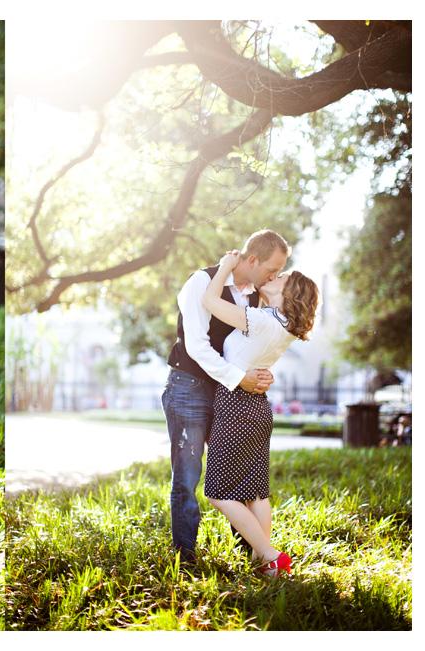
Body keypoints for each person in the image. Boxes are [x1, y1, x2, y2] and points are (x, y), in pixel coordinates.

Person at [161, 229, 289, 565]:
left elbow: (253, 345)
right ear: (251, 259)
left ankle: (256, 554)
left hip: (229, 395)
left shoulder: (257, 297)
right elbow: (197, 346)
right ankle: (185, 558)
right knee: (187, 477)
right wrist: (240, 378)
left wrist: (261, 374)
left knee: (237, 474)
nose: (274, 277)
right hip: (189, 385)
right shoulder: (201, 283)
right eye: (271, 269)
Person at [202, 250, 319, 577]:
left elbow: (210, 301)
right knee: (254, 491)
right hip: (258, 409)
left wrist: (224, 267)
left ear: (288, 293)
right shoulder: (283, 328)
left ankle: (269, 554)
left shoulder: (262, 320)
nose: (274, 277)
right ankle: (265, 566)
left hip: (237, 407)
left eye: (281, 278)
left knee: (217, 493)